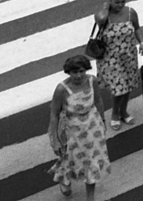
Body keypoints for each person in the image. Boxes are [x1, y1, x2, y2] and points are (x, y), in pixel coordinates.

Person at [49, 54, 110, 200]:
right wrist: (56, 139)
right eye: (74, 72)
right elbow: (54, 114)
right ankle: (64, 178)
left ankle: (90, 197)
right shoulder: (61, 89)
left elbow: (98, 100)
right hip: (71, 130)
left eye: (81, 71)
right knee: (68, 159)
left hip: (92, 127)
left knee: (91, 161)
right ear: (68, 72)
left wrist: (102, 121)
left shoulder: (92, 81)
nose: (78, 75)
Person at [94, 0, 143, 128]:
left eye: (123, 1)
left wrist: (142, 42)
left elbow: (137, 28)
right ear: (109, 0)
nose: (120, 5)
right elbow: (100, 19)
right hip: (110, 59)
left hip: (128, 56)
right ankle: (115, 113)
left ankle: (123, 111)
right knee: (119, 88)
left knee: (127, 86)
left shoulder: (130, 13)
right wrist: (106, 7)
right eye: (117, 2)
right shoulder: (104, 15)